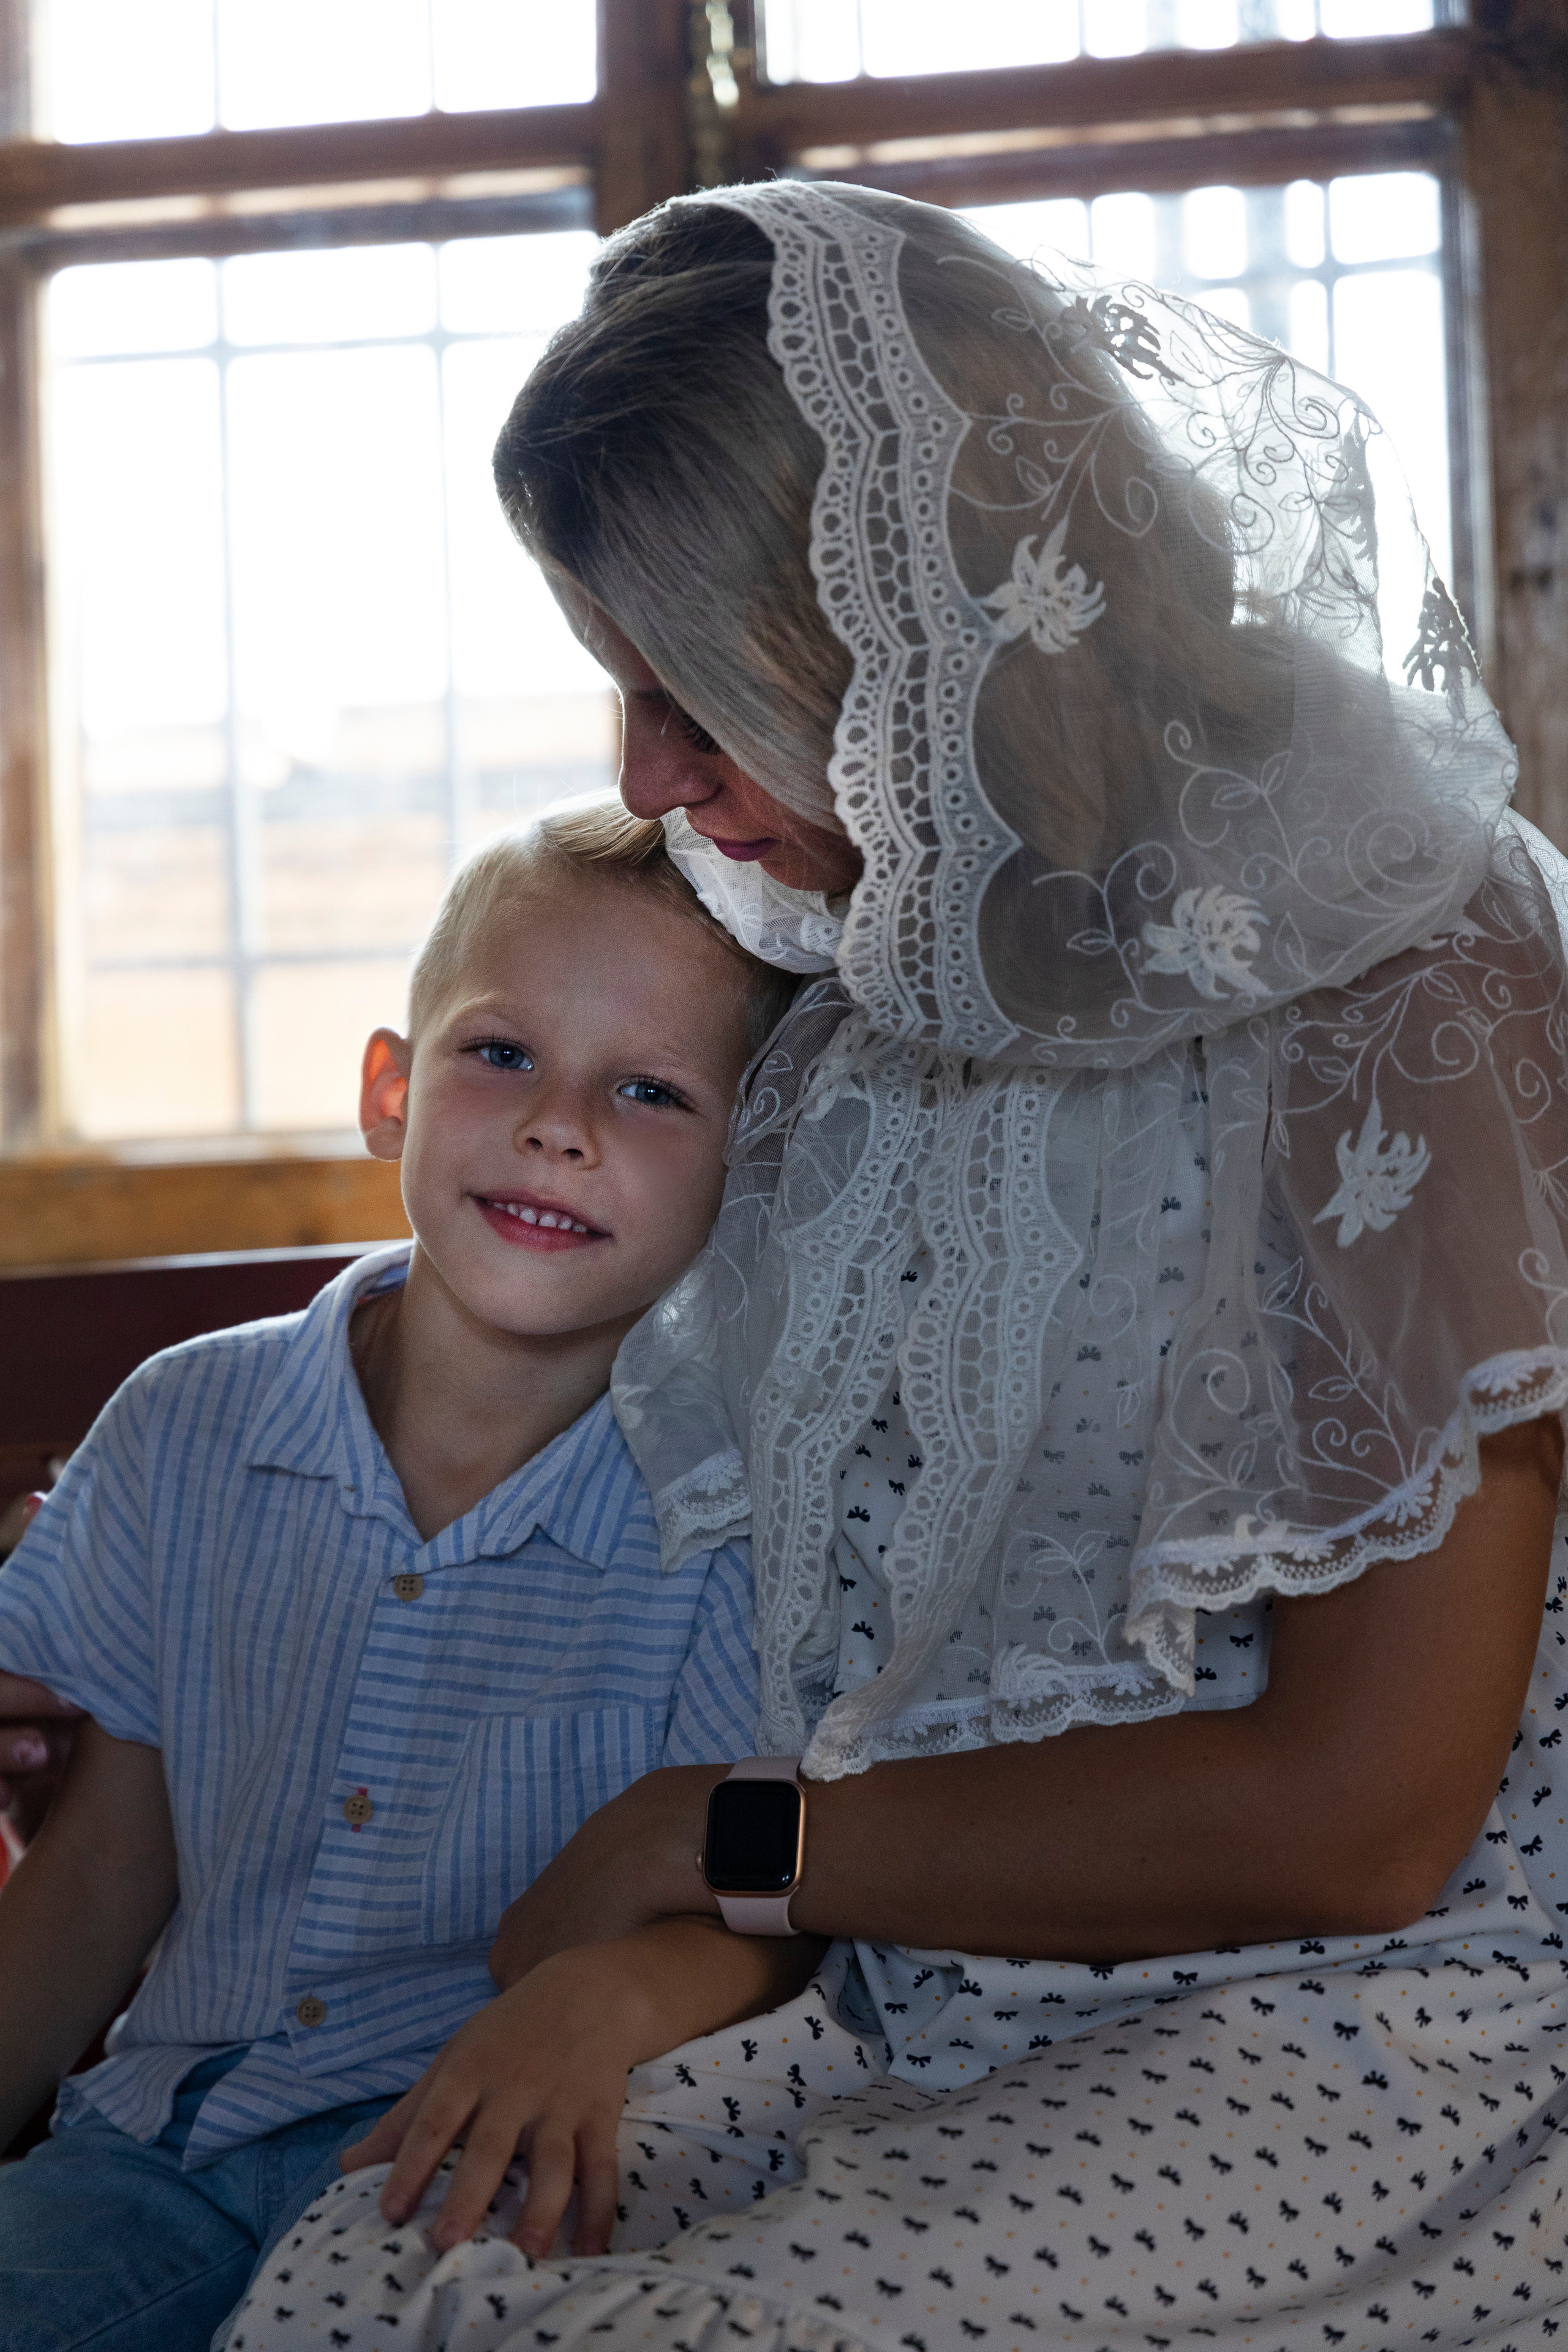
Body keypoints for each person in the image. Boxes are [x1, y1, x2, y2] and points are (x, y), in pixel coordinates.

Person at [227, 182, 1568, 2352]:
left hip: (1351, 2037)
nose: (651, 783)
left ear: (904, 606)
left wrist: (727, 1837)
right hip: (900, 1999)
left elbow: (1369, 1823)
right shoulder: (867, 1000)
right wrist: (148, 1603)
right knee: (379, 2268)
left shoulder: (1407, 959)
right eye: (620, 690)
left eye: (687, 689)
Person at [0, 805, 824, 2352]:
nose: (558, 1126)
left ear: (750, 1174)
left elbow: (760, 1911)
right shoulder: (189, 1423)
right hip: (160, 2148)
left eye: (648, 1091)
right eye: (502, 1054)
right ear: (391, 1090)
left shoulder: (734, 1511)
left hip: (494, 2162)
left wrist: (612, 2002)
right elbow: (103, 1870)